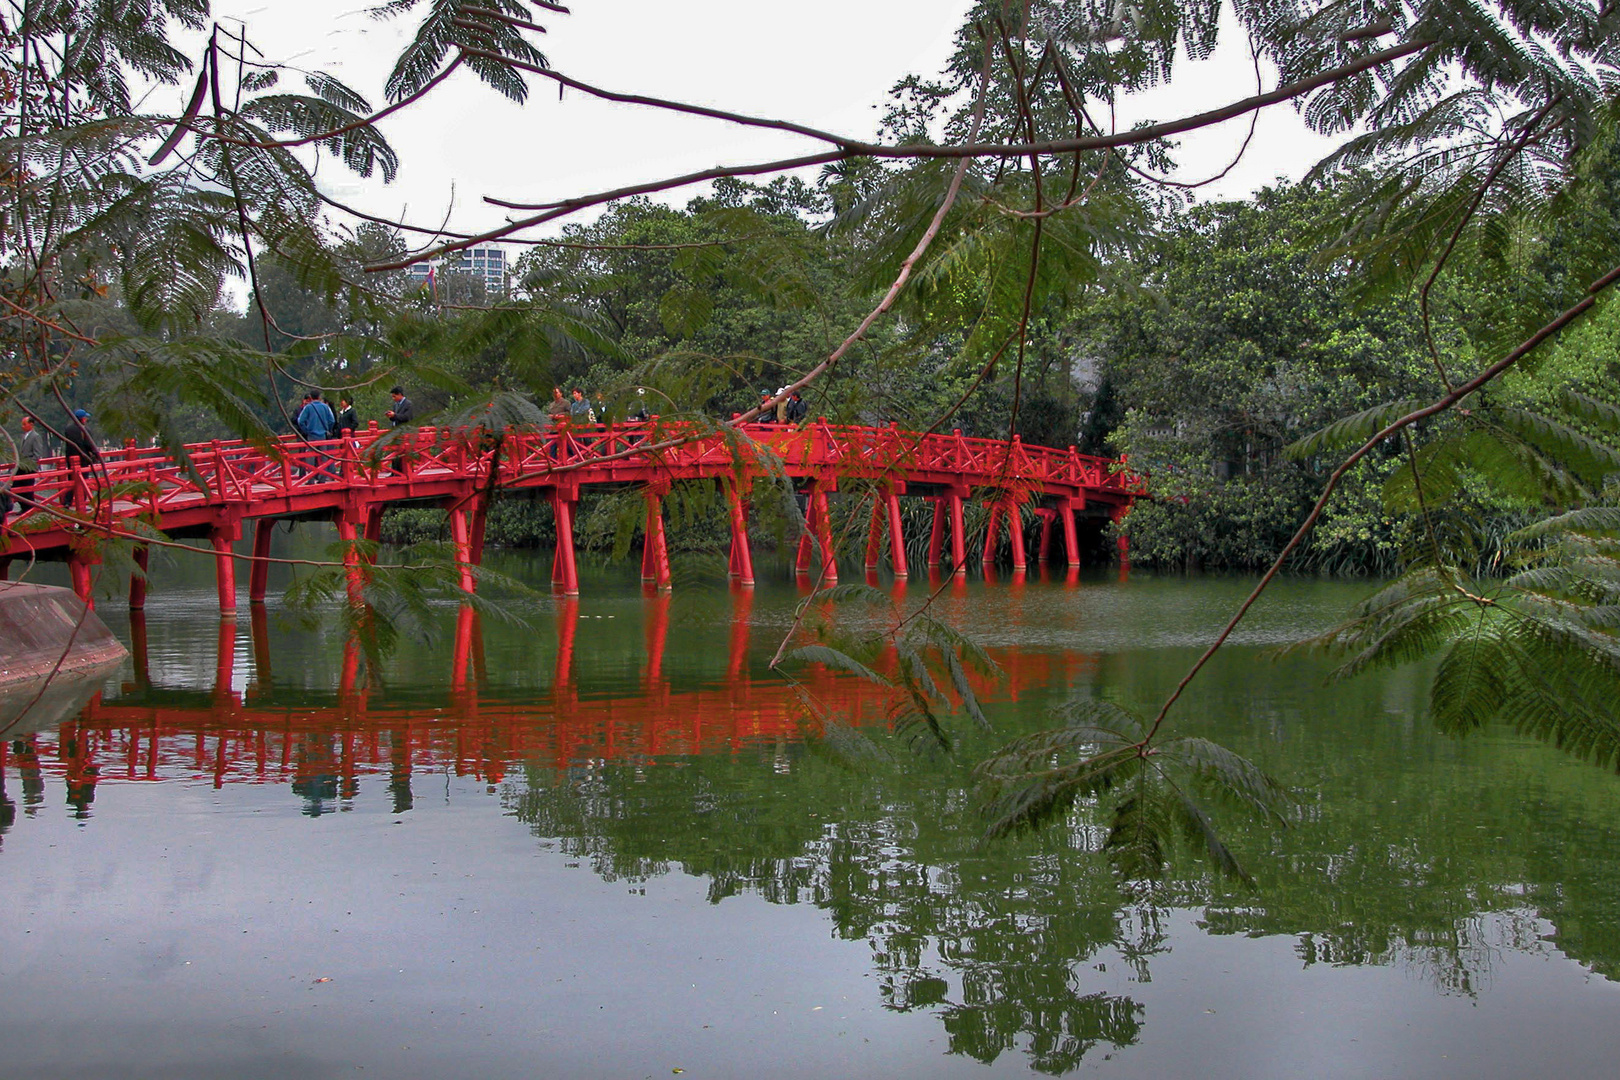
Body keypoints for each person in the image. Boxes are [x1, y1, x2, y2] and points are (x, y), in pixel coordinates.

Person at [11, 413, 48, 515]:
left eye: (24, 424)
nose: (22, 426)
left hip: (29, 467)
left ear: (31, 424)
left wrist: (30, 465)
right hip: (22, 466)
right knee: (17, 487)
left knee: (28, 488)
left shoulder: (35, 436)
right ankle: (25, 507)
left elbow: (37, 453)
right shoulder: (24, 436)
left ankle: (29, 509)